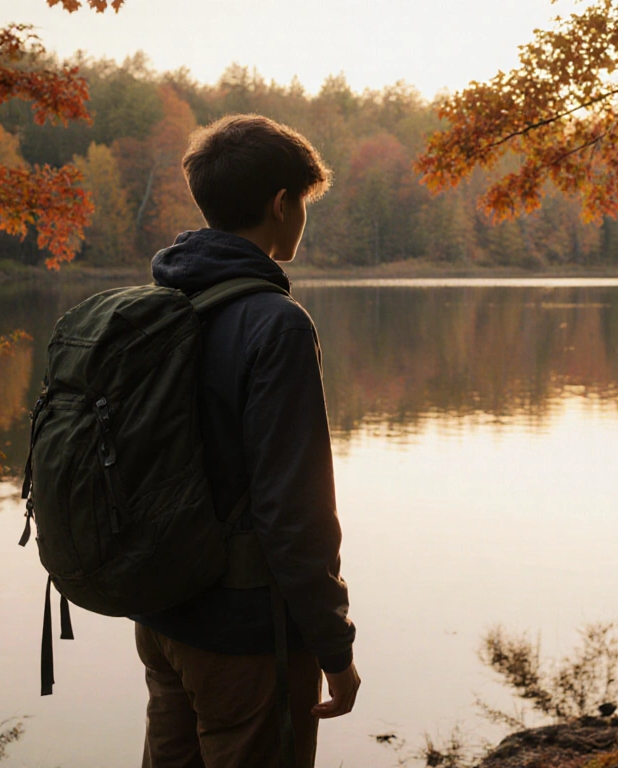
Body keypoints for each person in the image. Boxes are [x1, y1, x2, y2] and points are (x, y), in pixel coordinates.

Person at [131, 114, 359, 768]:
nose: (303, 218)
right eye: (305, 203)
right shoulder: (274, 324)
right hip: (247, 637)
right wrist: (334, 647)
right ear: (281, 204)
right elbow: (294, 512)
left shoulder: (163, 303)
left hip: (165, 616)